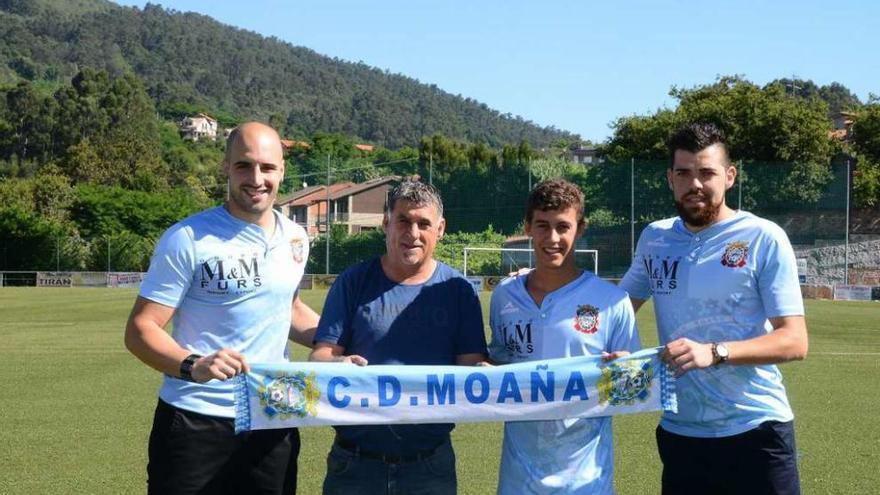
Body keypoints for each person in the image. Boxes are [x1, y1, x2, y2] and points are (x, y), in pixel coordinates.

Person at [125, 122, 319, 494]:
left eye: (267, 167)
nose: (256, 178)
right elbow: (140, 330)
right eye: (244, 165)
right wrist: (193, 365)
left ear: (282, 171)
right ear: (226, 167)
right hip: (196, 420)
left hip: (272, 414)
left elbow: (288, 309)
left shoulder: (296, 237)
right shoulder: (188, 238)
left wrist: (340, 340)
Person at [619, 122, 808, 495]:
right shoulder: (655, 238)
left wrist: (716, 352)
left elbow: (794, 341)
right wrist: (547, 277)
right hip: (681, 433)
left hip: (756, 430)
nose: (696, 184)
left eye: (707, 173)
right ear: (670, 179)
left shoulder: (763, 237)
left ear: (730, 176)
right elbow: (617, 308)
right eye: (684, 173)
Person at [309, 179, 487, 495]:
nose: (413, 233)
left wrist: (490, 372)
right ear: (386, 222)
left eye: (423, 223)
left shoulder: (459, 292)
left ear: (441, 228)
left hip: (430, 467)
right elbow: (320, 356)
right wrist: (339, 362)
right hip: (354, 465)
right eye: (403, 220)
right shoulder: (353, 282)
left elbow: (472, 370)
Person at [488, 178, 640, 495]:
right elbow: (499, 365)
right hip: (518, 479)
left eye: (563, 226)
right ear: (528, 226)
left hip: (586, 480)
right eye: (542, 225)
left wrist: (627, 372)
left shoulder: (612, 301)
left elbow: (634, 387)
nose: (552, 238)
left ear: (580, 228)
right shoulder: (505, 296)